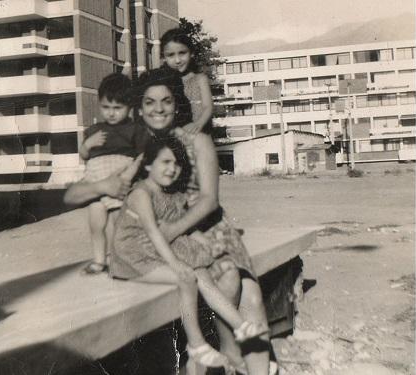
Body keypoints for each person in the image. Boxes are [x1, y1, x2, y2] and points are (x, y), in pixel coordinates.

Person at [64, 69, 274, 375]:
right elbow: (81, 193)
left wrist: (173, 230)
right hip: (159, 237)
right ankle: (210, 353)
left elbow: (209, 200)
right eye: (149, 102)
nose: (158, 109)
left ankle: (233, 354)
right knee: (212, 283)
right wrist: (102, 187)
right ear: (139, 107)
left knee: (246, 293)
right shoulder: (135, 145)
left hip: (205, 227)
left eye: (166, 101)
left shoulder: (195, 140)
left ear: (177, 104)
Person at [110, 137, 268, 371]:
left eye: (176, 164)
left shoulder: (168, 194)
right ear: (148, 165)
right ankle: (196, 344)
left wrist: (207, 244)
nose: (171, 169)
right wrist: (176, 265)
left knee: (202, 272)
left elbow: (182, 227)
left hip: (155, 248)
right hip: (133, 257)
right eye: (165, 162)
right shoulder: (141, 194)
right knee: (187, 277)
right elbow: (154, 234)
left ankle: (240, 325)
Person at [78, 73, 147, 275]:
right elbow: (84, 155)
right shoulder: (94, 130)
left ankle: (126, 260)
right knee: (96, 224)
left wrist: (129, 174)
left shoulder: (135, 129)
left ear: (130, 107)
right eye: (106, 107)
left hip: (120, 182)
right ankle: (99, 260)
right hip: (97, 183)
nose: (111, 113)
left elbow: (141, 155)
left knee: (121, 225)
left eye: (118, 108)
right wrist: (87, 145)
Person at [160, 28, 213, 135]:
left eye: (182, 53)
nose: (177, 60)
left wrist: (198, 124)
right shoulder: (163, 82)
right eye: (171, 55)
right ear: (164, 57)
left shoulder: (200, 79)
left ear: (191, 53)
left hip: (199, 133)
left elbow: (208, 107)